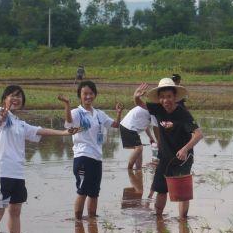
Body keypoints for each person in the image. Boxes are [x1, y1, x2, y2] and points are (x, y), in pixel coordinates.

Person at [0, 85, 78, 233]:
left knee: (15, 211)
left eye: (19, 96)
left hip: (18, 174)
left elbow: (39, 130)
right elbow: (0, 120)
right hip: (3, 172)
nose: (16, 99)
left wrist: (64, 133)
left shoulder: (20, 123)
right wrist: (2, 114)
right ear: (4, 99)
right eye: (12, 95)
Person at [134, 78, 203, 219]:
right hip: (165, 157)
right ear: (159, 99)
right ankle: (158, 219)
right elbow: (141, 104)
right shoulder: (158, 108)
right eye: (163, 97)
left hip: (182, 159)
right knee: (160, 189)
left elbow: (198, 134)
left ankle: (183, 222)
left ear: (175, 97)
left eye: (169, 97)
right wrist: (136, 97)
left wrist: (185, 149)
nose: (166, 100)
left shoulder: (183, 114)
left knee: (182, 194)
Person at [58, 81, 123, 220]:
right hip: (82, 156)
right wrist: (67, 105)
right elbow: (69, 122)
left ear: (95, 95)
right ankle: (78, 222)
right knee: (83, 191)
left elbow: (115, 125)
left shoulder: (99, 114)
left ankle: (92, 220)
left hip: (97, 157)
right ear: (80, 96)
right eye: (85, 94)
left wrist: (118, 113)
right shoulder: (76, 112)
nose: (88, 96)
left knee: (94, 192)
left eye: (91, 93)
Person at [119, 105, 155, 169]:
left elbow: (146, 126)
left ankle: (138, 168)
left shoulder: (148, 110)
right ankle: (129, 168)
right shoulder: (153, 110)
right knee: (139, 148)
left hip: (127, 126)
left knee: (139, 148)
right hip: (129, 126)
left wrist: (151, 138)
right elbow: (157, 128)